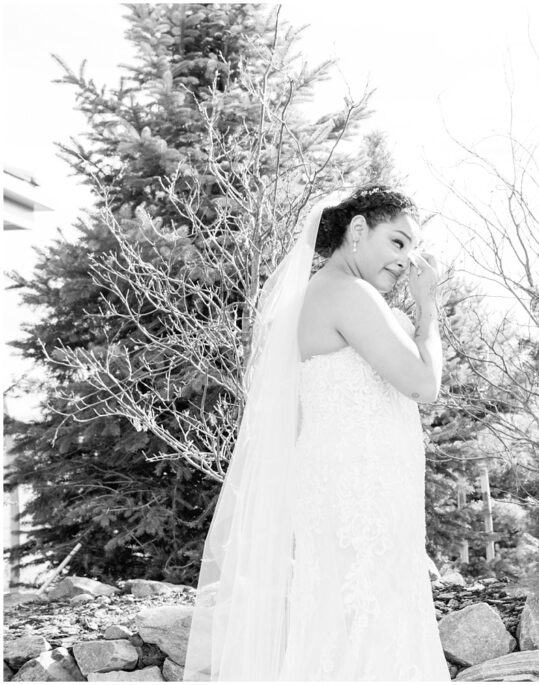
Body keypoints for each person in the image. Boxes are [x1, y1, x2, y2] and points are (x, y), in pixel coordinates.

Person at [184, 185, 450, 681]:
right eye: (397, 242)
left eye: (412, 250)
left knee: (339, 620)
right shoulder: (350, 294)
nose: (406, 261)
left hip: (342, 480)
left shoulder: (318, 294)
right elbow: (423, 383)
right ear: (356, 230)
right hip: (359, 489)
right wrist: (427, 306)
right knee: (368, 619)